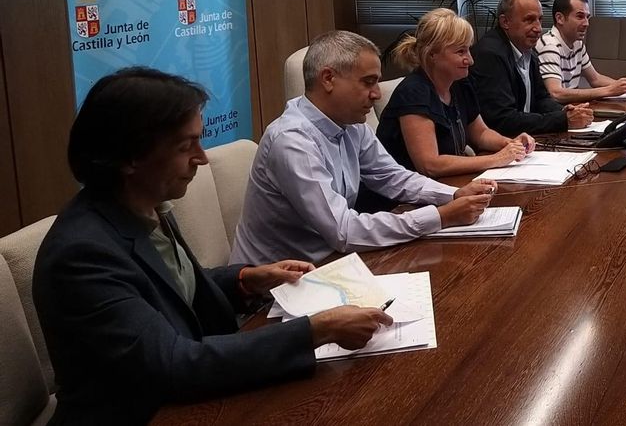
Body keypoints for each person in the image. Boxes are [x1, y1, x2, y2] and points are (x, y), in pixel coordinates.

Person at [32, 67, 392, 425]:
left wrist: (246, 279)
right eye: (186, 145)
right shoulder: (81, 255)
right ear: (131, 157)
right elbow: (173, 364)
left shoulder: (143, 205)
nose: (202, 158)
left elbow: (165, 289)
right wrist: (317, 330)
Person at [230, 31, 496, 265]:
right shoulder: (292, 141)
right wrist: (439, 217)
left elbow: (393, 177)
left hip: (331, 265)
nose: (377, 94)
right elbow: (343, 231)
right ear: (328, 79)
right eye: (368, 82)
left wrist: (453, 195)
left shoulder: (351, 124)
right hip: (270, 293)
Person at [376, 8, 537, 176]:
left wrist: (510, 144)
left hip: (445, 185)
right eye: (461, 51)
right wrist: (497, 159)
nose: (470, 59)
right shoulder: (413, 92)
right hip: (402, 197)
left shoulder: (460, 83)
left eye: (468, 49)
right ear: (432, 54)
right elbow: (430, 165)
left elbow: (480, 133)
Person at [470, 0, 593, 136]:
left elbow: (541, 98)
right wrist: (562, 120)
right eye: (529, 20)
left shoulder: (528, 50)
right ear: (505, 22)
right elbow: (502, 120)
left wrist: (566, 111)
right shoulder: (490, 55)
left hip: (526, 138)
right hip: (500, 144)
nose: (538, 28)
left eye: (539, 20)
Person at [536, 0, 626, 103]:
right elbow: (556, 93)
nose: (586, 23)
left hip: (571, 108)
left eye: (587, 17)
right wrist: (610, 90)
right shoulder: (549, 46)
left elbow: (595, 79)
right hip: (552, 113)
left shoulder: (577, 44)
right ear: (560, 18)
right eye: (580, 16)